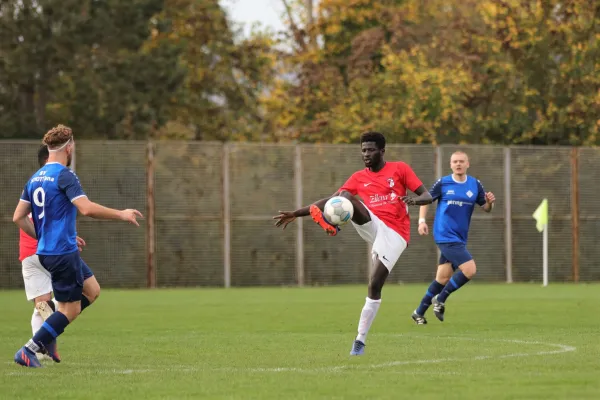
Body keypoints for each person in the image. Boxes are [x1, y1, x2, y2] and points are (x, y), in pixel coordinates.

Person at [273, 131, 432, 356]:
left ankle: (360, 340)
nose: (366, 154)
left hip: (396, 234)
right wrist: (297, 213)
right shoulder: (358, 177)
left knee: (374, 285)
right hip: (372, 224)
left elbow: (427, 196)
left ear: (382, 151)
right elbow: (332, 199)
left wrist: (414, 201)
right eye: (363, 150)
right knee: (344, 198)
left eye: (371, 150)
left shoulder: (400, 169)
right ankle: (333, 224)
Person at [12, 124, 143, 368]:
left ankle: (47, 332)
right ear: (69, 147)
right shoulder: (65, 175)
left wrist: (43, 236)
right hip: (62, 252)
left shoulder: (35, 178)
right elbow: (87, 208)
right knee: (69, 310)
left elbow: (18, 217)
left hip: (51, 250)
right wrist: (122, 214)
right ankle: (30, 349)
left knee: (92, 290)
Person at [411, 151, 495, 324]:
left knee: (442, 278)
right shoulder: (443, 183)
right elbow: (425, 199)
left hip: (460, 237)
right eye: (455, 161)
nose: (458, 164)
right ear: (450, 164)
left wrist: (490, 202)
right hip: (444, 234)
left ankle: (419, 312)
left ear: (467, 164)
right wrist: (421, 221)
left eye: (461, 161)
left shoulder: (475, 184)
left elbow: (486, 208)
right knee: (470, 270)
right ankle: (440, 299)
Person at [19, 145, 86, 362]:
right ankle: (41, 346)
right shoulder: (56, 182)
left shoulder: (34, 182)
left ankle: (42, 345)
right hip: (49, 252)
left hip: (34, 253)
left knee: (44, 305)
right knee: (49, 306)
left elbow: (20, 217)